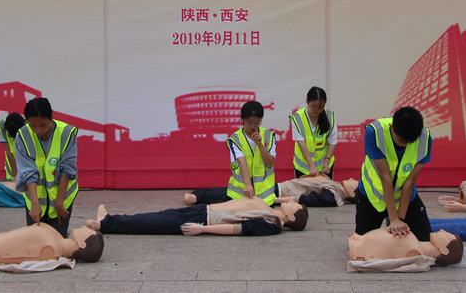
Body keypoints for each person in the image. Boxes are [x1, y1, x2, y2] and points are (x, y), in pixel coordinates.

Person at [356, 106, 433, 240]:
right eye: (401, 140)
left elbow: (409, 182)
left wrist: (400, 219)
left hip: (405, 197)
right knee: (361, 244)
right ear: (392, 127)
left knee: (425, 241)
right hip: (373, 197)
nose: (404, 145)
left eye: (409, 142)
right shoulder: (375, 132)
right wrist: (393, 218)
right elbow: (385, 177)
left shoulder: (425, 139)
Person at [185, 101, 278, 205]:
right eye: (249, 123)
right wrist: (248, 184)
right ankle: (196, 196)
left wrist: (260, 145)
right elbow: (242, 161)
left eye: (257, 122)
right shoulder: (235, 139)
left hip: (264, 195)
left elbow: (270, 163)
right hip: (242, 191)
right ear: (242, 120)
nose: (253, 126)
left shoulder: (269, 136)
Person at [14, 97, 79, 238]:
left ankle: (64, 231)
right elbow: (27, 171)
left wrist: (59, 202)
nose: (38, 130)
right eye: (33, 126)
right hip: (35, 199)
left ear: (51, 117)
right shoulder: (22, 136)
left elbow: (67, 168)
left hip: (61, 197)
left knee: (58, 240)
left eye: (43, 125)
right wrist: (34, 204)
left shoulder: (66, 133)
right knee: (36, 240)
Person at [86, 197, 308, 236]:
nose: (292, 202)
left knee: (156, 222)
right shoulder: (271, 209)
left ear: (290, 217)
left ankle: (106, 224)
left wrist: (202, 229)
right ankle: (111, 219)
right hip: (203, 210)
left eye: (295, 206)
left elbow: (237, 230)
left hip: (204, 219)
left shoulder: (271, 224)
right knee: (160, 216)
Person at [186, 174, 359, 208]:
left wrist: (274, 200)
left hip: (278, 192)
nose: (352, 179)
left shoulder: (334, 195)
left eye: (355, 184)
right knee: (238, 190)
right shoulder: (335, 186)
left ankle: (198, 197)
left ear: (351, 194)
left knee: (237, 193)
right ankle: (200, 195)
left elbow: (304, 200)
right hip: (279, 188)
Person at [0, 224, 104, 265]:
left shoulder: (52, 249)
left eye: (88, 232)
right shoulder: (55, 240)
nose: (84, 227)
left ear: (82, 244)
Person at [348, 228, 463, 266]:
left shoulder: (414, 250)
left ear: (444, 250)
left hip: (359, 248)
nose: (442, 231)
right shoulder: (414, 245)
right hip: (359, 244)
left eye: (447, 236)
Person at [290, 86, 338, 178]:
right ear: (307, 101)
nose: (317, 110)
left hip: (324, 167)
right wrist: (311, 166)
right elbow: (301, 144)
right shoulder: (297, 118)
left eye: (321, 107)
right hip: (303, 168)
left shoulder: (330, 117)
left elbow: (332, 142)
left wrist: (327, 162)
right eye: (314, 106)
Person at [0, 112, 26, 181]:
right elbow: (9, 153)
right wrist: (15, 175)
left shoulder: (30, 125)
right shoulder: (1, 127)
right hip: (12, 166)